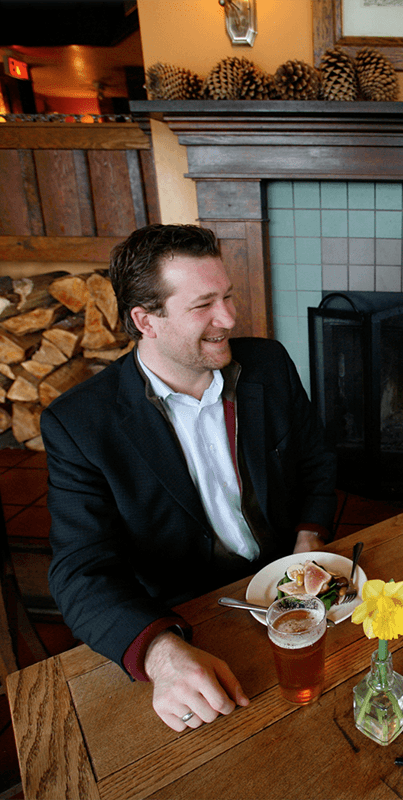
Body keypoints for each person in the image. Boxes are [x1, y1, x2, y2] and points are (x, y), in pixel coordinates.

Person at [41, 224, 337, 730]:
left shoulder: (269, 363)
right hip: (186, 623)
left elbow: (316, 458)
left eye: (227, 296)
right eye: (204, 305)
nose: (229, 318)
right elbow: (80, 570)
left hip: (297, 599)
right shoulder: (79, 424)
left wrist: (308, 541)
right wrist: (159, 652)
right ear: (145, 320)